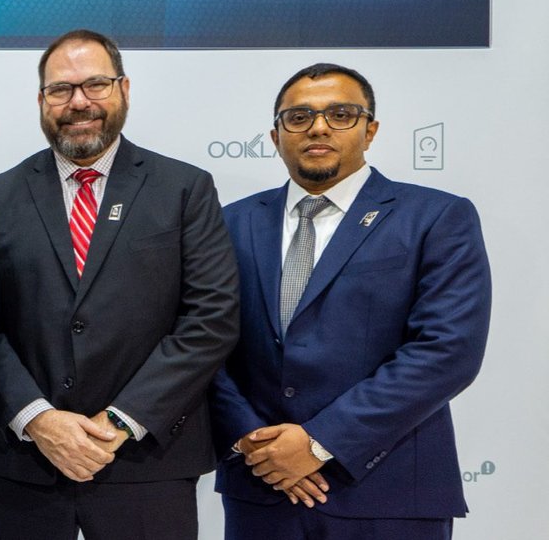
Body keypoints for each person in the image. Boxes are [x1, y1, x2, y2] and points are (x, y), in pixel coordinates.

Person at [0, 29, 240, 540]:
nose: (79, 102)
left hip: (147, 463)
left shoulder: (184, 189)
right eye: (61, 89)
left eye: (95, 84)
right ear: (41, 100)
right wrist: (39, 420)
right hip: (24, 466)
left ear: (124, 89)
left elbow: (211, 319)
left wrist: (118, 422)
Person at [209, 64, 491, 539]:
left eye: (340, 114)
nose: (318, 127)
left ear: (370, 130)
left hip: (388, 493)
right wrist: (254, 441)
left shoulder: (436, 217)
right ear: (275, 136)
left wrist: (319, 442)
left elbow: (447, 351)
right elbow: (203, 342)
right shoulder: (227, 223)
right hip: (261, 488)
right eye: (298, 117)